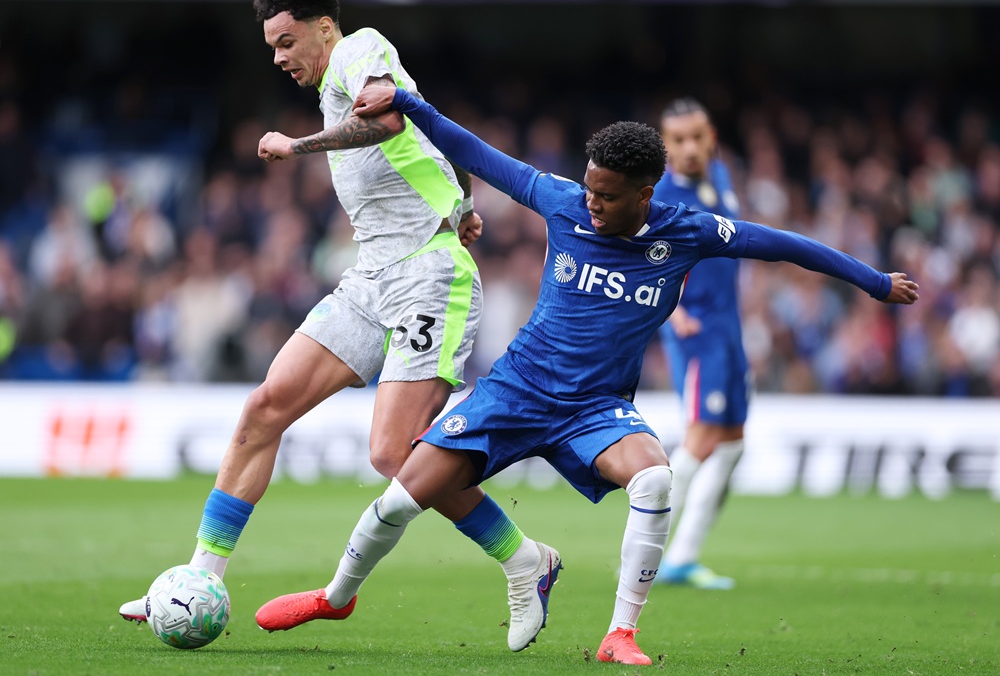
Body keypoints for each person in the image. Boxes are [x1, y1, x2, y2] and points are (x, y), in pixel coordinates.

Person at [251, 85, 919, 665]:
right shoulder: (562, 200)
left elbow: (785, 245)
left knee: (655, 473)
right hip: (516, 389)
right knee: (401, 496)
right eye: (591, 187)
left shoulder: (688, 231)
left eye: (608, 195)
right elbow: (478, 153)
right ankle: (335, 597)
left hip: (594, 408)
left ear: (645, 192)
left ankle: (619, 631)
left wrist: (873, 280)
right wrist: (408, 104)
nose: (593, 203)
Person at [118, 0, 560, 654]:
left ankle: (525, 558)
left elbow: (388, 119)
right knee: (266, 406)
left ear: (323, 25)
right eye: (270, 46)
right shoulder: (342, 78)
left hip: (428, 279)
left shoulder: (360, 50)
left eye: (285, 40)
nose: (278, 57)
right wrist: (464, 204)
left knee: (392, 453)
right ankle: (196, 578)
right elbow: (431, 135)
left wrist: (297, 147)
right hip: (370, 276)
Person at [651, 98, 745, 590]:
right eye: (678, 140)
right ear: (664, 147)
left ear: (712, 138)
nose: (689, 148)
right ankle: (645, 542)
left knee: (732, 444)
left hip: (729, 330)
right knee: (703, 437)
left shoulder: (719, 178)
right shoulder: (660, 196)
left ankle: (683, 559)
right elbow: (641, 260)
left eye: (697, 137)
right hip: (697, 331)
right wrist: (674, 311)